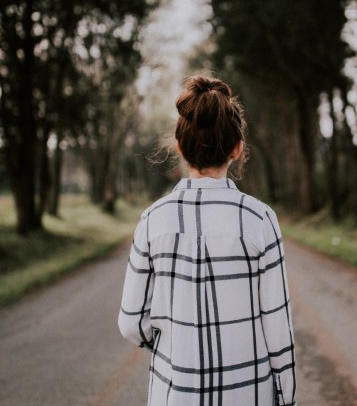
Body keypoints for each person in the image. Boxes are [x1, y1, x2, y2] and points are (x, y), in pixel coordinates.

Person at [118, 75, 297, 406]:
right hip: (249, 394)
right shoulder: (260, 220)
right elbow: (277, 328)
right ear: (237, 149)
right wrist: (286, 398)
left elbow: (131, 323)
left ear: (180, 149)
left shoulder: (152, 221)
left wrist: (176, 342)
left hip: (174, 393)